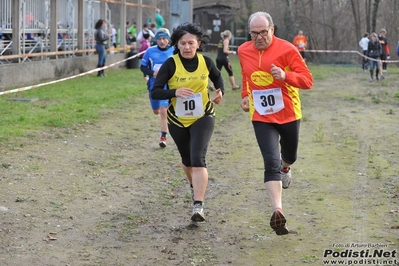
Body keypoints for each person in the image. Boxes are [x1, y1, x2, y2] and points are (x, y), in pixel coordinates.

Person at [237, 12, 313, 235]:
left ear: (272, 29)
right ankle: (278, 211)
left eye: (263, 32)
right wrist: (244, 94)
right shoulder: (243, 50)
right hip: (261, 116)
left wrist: (285, 76)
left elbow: (308, 80)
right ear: (249, 33)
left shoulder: (288, 49)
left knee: (289, 156)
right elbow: (246, 74)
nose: (259, 37)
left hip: (288, 113)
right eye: (254, 33)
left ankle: (286, 166)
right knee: (270, 161)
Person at [151, 23, 224, 222]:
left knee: (197, 156)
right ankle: (196, 187)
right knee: (187, 160)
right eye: (182, 43)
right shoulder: (171, 64)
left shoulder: (206, 62)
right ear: (177, 44)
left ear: (198, 44)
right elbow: (155, 91)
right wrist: (175, 92)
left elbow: (218, 77)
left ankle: (198, 206)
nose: (187, 47)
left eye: (191, 43)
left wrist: (219, 92)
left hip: (203, 115)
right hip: (177, 119)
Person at [140, 28, 174, 148]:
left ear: (168, 39)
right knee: (156, 111)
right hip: (154, 85)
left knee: (163, 111)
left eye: (164, 38)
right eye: (159, 38)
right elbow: (142, 67)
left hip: (168, 85)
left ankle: (163, 137)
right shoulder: (150, 51)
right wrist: (152, 73)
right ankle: (159, 110)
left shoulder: (174, 50)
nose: (162, 41)